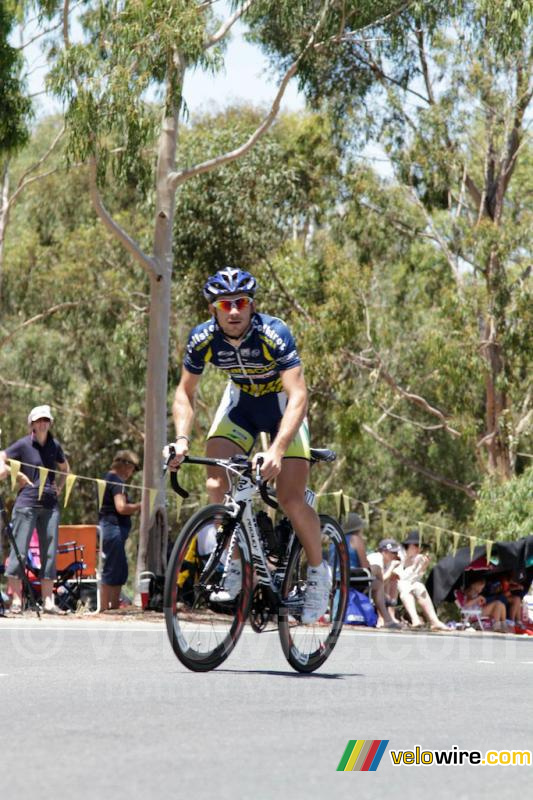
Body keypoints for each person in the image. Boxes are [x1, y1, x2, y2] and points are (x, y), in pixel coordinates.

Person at [170, 267, 331, 624]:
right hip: (241, 406)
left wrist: (277, 450)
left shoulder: (273, 332)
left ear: (252, 305)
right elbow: (185, 392)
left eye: (241, 303)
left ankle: (319, 574)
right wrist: (181, 440)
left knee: (290, 498)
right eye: (225, 304)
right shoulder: (202, 338)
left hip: (282, 408)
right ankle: (236, 564)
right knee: (216, 481)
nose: (233, 311)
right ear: (213, 309)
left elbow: (299, 394)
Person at [0, 405, 69, 613]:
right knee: (19, 551)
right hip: (26, 504)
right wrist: (16, 474)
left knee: (49, 553)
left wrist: (60, 487)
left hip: (50, 505)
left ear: (50, 423)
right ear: (32, 424)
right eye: (39, 420)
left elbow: (65, 468)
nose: (43, 423)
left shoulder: (55, 445)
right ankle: (16, 601)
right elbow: (2, 456)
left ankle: (48, 601)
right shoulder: (23, 444)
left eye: (46, 420)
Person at [339, 513, 401, 629]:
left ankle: (386, 612)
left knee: (378, 582)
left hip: (337, 576)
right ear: (358, 528)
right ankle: (387, 617)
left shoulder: (337, 539)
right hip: (352, 576)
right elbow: (365, 565)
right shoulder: (355, 539)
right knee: (377, 571)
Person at [99, 450, 141, 611]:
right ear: (125, 465)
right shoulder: (116, 480)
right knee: (112, 567)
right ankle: (105, 607)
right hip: (113, 527)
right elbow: (121, 507)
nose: (132, 473)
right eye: (132, 468)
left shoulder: (107, 478)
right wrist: (140, 505)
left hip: (111, 528)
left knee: (119, 567)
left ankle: (113, 606)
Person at [394, 529, 448, 631]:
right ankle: (415, 619)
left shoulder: (418, 559)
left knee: (419, 586)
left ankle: (434, 621)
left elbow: (415, 580)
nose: (418, 549)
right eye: (416, 545)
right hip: (393, 584)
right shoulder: (398, 554)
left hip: (406, 585)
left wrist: (422, 568)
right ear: (408, 545)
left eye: (420, 547)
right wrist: (411, 563)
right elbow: (398, 576)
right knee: (405, 587)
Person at [367, 537, 401, 624]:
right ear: (384, 551)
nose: (395, 555)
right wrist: (392, 567)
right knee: (383, 582)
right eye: (393, 553)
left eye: (396, 553)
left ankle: (391, 615)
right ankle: (381, 618)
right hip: (366, 585)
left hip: (375, 586)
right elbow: (381, 579)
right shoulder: (377, 558)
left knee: (393, 580)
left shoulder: (387, 561)